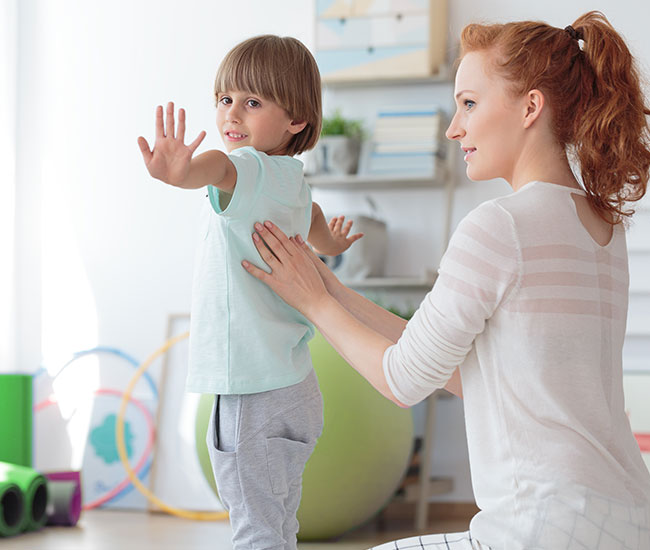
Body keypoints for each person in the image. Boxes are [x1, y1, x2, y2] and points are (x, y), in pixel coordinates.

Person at [242, 12, 650, 550]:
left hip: (541, 528)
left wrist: (315, 304)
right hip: (629, 518)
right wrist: (334, 288)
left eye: (469, 103)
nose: (453, 127)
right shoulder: (602, 223)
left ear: (531, 107)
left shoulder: (499, 225)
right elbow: (473, 374)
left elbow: (402, 380)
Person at [137, 35, 362, 550]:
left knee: (255, 531)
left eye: (252, 102)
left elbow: (215, 166)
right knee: (279, 523)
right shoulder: (293, 180)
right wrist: (334, 241)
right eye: (225, 99)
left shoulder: (246, 168)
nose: (231, 114)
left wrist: (181, 175)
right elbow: (315, 221)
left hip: (251, 389)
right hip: (296, 386)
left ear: (296, 120)